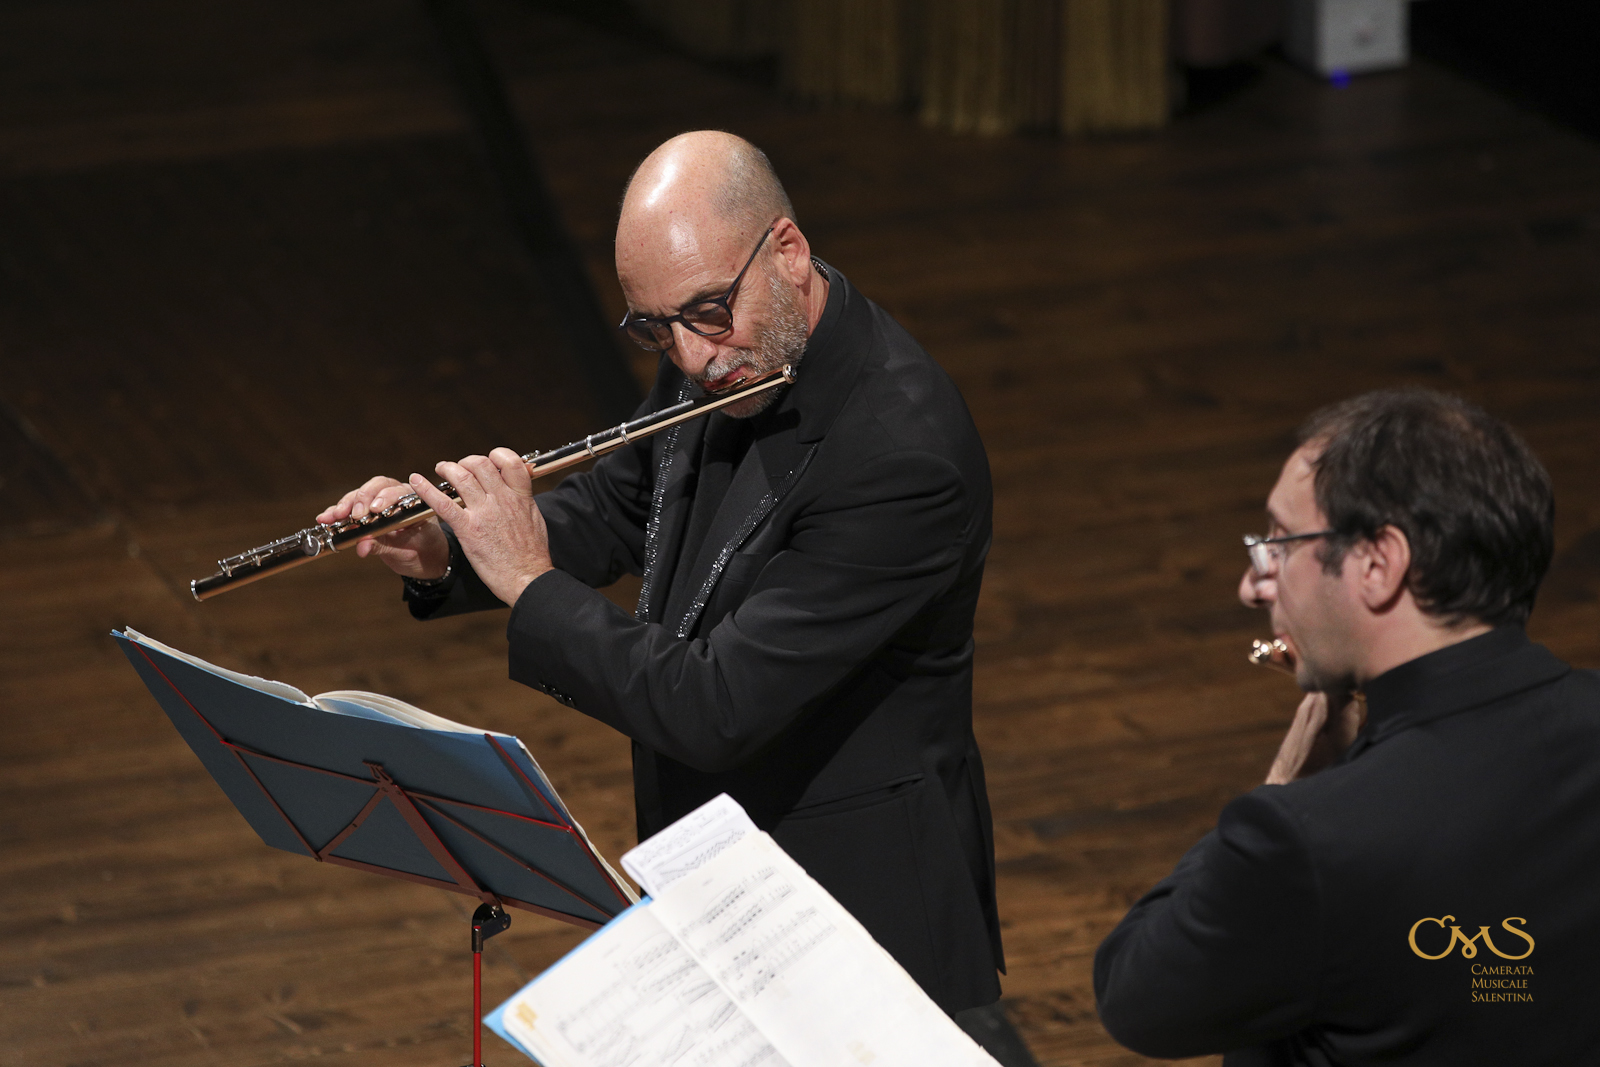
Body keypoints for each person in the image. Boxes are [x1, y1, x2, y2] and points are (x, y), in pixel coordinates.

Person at [319, 131, 1004, 1015]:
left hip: (856, 922)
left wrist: (531, 583)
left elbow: (714, 705)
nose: (688, 357)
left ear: (787, 253)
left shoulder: (902, 456)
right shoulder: (724, 351)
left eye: (707, 313)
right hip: (723, 888)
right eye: (655, 328)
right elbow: (616, 509)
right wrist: (456, 547)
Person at [1093, 388, 1600, 1063]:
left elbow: (1138, 998)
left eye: (1280, 542)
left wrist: (1283, 790)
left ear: (1376, 564)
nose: (1253, 584)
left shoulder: (1308, 839)